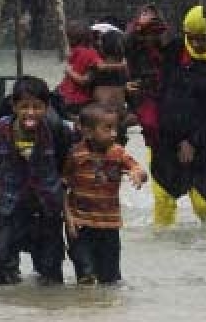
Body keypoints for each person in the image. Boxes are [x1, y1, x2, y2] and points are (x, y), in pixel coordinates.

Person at [150, 5, 206, 227]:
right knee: (163, 200)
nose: (197, 44)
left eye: (203, 39)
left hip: (204, 144)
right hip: (164, 141)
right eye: (192, 38)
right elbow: (145, 57)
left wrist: (193, 141)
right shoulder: (176, 50)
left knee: (204, 206)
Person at [0, 76, 71, 285]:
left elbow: (69, 163)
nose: (30, 112)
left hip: (46, 208)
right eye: (24, 107)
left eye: (37, 107)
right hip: (10, 206)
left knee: (50, 272)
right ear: (14, 106)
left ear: (47, 107)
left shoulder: (58, 129)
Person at [63, 103, 147, 285]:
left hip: (109, 225)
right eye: (107, 129)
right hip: (80, 225)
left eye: (115, 128)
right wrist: (68, 218)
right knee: (86, 275)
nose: (114, 134)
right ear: (87, 132)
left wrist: (137, 174)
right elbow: (62, 186)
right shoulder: (75, 155)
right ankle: (87, 309)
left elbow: (138, 168)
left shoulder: (117, 152)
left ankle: (108, 309)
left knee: (110, 279)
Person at [125, 5, 177, 151]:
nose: (150, 36)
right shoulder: (132, 45)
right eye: (147, 32)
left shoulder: (167, 45)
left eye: (154, 31)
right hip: (142, 92)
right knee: (150, 123)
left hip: (163, 90)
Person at [58, 21, 101, 118]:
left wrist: (69, 72)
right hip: (74, 98)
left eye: (68, 37)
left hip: (75, 99)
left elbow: (84, 80)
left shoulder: (83, 53)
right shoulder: (91, 53)